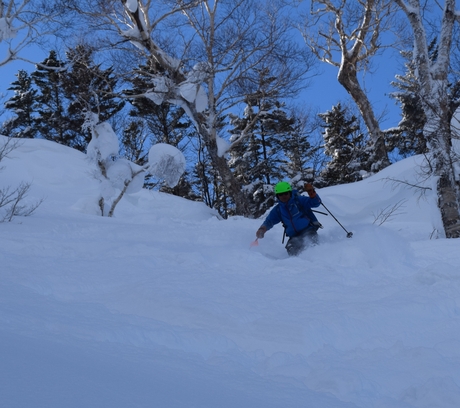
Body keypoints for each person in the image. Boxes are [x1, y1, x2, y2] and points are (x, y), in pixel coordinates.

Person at [256, 181, 322, 256]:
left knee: (311, 243)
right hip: (294, 236)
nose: (284, 196)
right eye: (281, 194)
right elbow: (269, 221)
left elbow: (315, 203)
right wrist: (262, 229)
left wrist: (312, 194)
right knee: (291, 249)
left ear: (290, 193)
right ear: (277, 196)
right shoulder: (278, 210)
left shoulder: (299, 200)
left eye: (286, 193)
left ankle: (318, 259)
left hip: (308, 230)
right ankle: (298, 265)